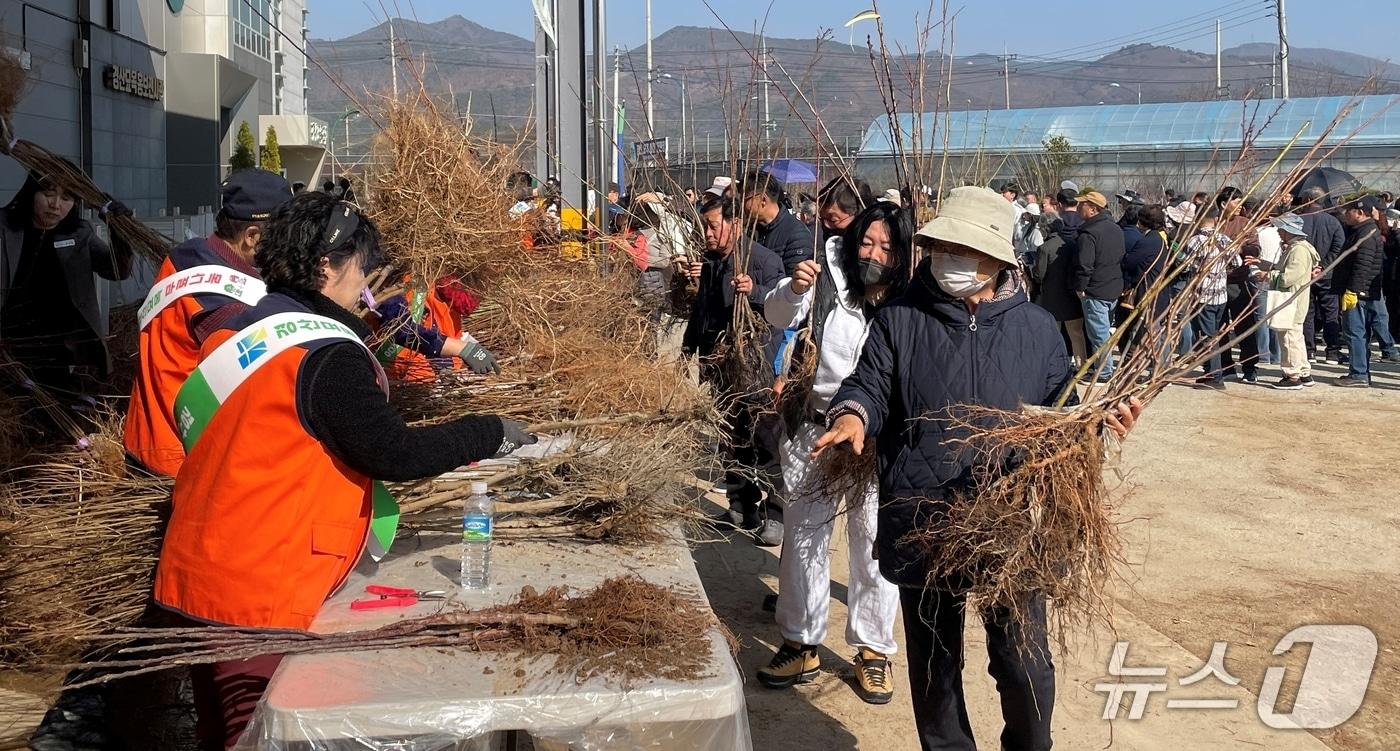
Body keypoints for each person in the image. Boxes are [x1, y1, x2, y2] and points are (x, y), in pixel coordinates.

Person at [153, 192, 534, 748]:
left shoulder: (240, 330)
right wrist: (489, 431)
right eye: (359, 266)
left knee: (222, 735)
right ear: (327, 265)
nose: (365, 282)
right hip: (258, 592)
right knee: (255, 738)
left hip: (197, 574)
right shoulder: (325, 353)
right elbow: (393, 452)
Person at [813, 186, 1142, 751]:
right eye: (943, 247)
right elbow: (868, 384)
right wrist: (853, 417)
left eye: (965, 250)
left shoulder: (1037, 329)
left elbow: (1056, 414)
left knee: (1023, 665)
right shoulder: (899, 320)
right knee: (934, 668)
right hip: (924, 510)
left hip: (1010, 518)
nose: (951, 261)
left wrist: (1097, 421)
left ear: (998, 259)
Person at [755, 202, 907, 703]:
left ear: (902, 252)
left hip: (878, 442)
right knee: (803, 539)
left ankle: (873, 650)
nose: (873, 254)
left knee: (873, 544)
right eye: (867, 242)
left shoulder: (909, 299)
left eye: (886, 247)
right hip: (815, 431)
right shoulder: (825, 278)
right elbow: (777, 314)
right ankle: (801, 641)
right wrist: (795, 288)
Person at [125, 169, 290, 475]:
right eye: (283, 235)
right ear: (252, 237)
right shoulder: (225, 304)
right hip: (182, 459)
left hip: (145, 436)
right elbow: (253, 393)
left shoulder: (186, 256)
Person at [682, 195, 784, 545]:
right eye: (704, 227)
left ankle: (776, 512)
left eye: (713, 226)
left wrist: (756, 292)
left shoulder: (763, 261)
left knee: (765, 441)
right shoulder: (711, 263)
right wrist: (689, 347)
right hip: (719, 368)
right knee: (730, 440)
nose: (708, 234)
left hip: (754, 368)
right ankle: (741, 504)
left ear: (735, 224)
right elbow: (703, 312)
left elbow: (782, 309)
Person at [0, 166, 134, 399]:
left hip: (55, 348)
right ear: (31, 192)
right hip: (7, 344)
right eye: (48, 194)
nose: (55, 205)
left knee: (50, 412)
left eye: (66, 198)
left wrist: (119, 231)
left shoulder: (79, 234)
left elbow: (117, 270)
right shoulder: (5, 227)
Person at [371, 275, 499, 383]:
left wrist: (468, 346)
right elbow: (403, 331)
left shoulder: (444, 303)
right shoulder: (402, 287)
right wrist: (462, 349)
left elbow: (451, 333)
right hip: (387, 376)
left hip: (419, 371)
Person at [1335, 196, 1394, 387]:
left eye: (1349, 210)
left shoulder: (1366, 233)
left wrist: (1353, 290)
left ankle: (1359, 373)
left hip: (1359, 292)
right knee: (1359, 332)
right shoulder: (1363, 231)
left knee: (1355, 332)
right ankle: (1360, 372)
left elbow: (1363, 265)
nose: (1345, 214)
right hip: (1365, 290)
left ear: (1360, 212)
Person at [1071, 190, 1125, 381]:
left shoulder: (1089, 233)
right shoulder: (1115, 229)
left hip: (1095, 290)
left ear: (1093, 209)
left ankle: (1104, 372)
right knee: (1104, 331)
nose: (1078, 208)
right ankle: (1104, 368)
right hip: (1113, 287)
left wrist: (1080, 287)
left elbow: (1085, 265)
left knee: (1099, 334)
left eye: (1081, 205)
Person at [1265, 213, 1320, 389]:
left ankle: (1292, 375)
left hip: (1292, 299)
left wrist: (1267, 275)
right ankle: (1303, 372)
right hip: (1296, 299)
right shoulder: (1298, 248)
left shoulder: (1298, 250)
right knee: (1296, 336)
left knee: (1289, 337)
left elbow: (1288, 277)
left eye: (1281, 229)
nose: (1279, 233)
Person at [1185, 216, 1238, 390]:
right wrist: (1222, 271)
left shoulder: (1196, 241)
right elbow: (1237, 262)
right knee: (1214, 334)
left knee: (1207, 337)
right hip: (1221, 295)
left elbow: (1185, 265)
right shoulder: (1224, 239)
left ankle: (1214, 375)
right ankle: (1212, 372)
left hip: (1203, 295)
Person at [739, 169, 814, 276]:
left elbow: (795, 284)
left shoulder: (796, 234)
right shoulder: (750, 230)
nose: (741, 205)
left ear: (763, 200)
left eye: (744, 199)